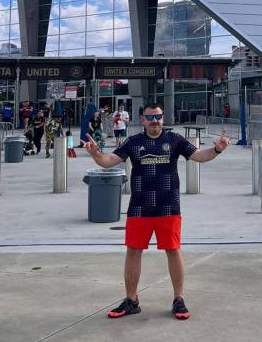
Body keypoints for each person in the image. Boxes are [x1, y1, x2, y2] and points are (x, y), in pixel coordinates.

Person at [84, 101, 230, 320]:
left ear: (163, 119)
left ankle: (178, 299)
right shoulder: (133, 142)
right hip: (139, 208)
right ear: (143, 119)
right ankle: (131, 300)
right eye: (150, 117)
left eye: (158, 117)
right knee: (133, 251)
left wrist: (217, 149)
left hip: (168, 206)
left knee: (173, 250)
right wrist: (95, 154)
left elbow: (198, 156)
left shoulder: (175, 140)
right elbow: (108, 161)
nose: (154, 121)